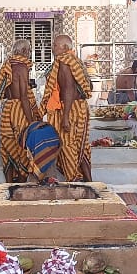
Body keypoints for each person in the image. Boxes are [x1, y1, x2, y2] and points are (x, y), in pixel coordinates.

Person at [40, 34, 93, 182]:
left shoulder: (64, 62)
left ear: (64, 47)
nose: (52, 48)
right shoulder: (76, 61)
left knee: (68, 146)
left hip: (70, 109)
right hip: (80, 108)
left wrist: (65, 117)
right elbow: (89, 85)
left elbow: (68, 90)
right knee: (80, 146)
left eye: (55, 45)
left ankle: (74, 181)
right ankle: (89, 182)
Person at [0, 39, 44, 182]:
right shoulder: (22, 67)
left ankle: (9, 185)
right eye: (28, 50)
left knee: (8, 147)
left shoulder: (8, 65)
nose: (29, 54)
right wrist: (32, 122)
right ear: (23, 51)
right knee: (22, 147)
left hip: (8, 108)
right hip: (19, 110)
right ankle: (20, 186)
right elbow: (23, 97)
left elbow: (5, 91)